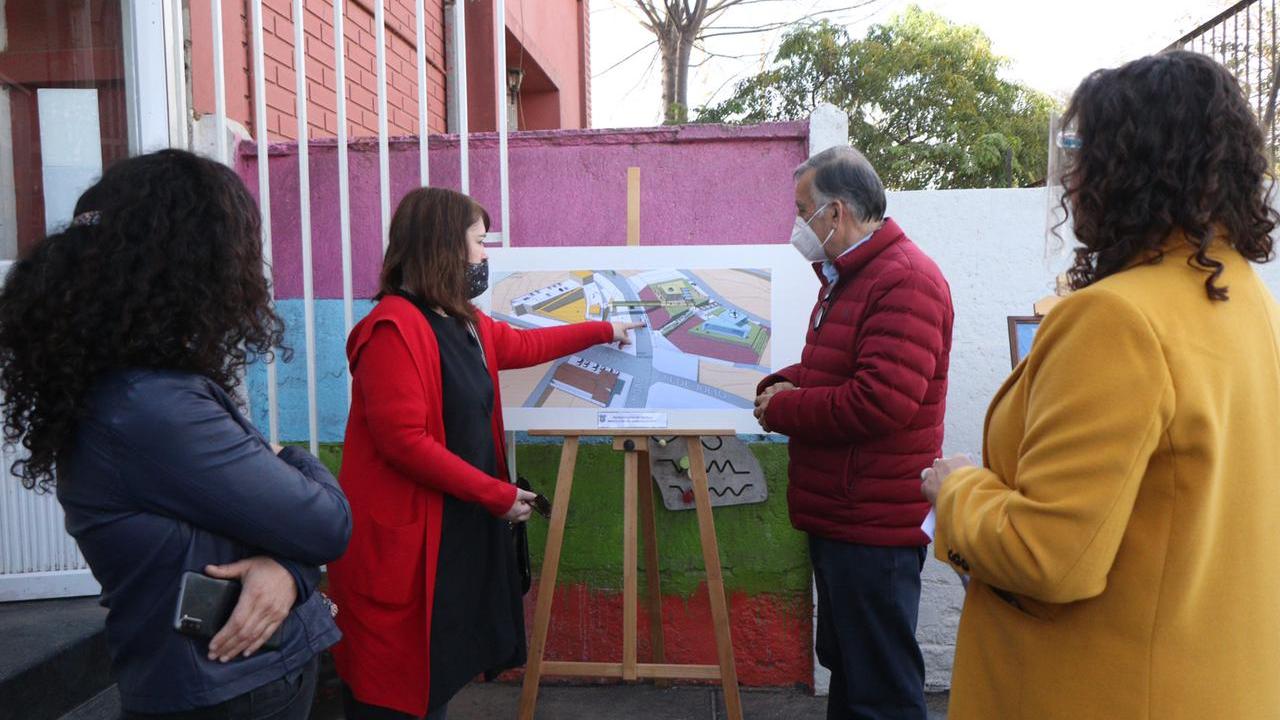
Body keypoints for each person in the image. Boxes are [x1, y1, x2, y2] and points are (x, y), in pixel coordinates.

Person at [921, 51, 1280, 719]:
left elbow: (1050, 557)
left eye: (1084, 152)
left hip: (1098, 689)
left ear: (1133, 167)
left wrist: (957, 491)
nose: (1071, 179)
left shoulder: (1115, 319)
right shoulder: (1242, 297)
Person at [0, 149, 352, 719]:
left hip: (224, 676)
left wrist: (287, 570)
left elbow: (262, 530)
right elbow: (325, 524)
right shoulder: (150, 407)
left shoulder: (139, 388)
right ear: (189, 267)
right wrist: (291, 455)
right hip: (229, 687)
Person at [327, 187, 641, 720]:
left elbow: (522, 346)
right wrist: (496, 495)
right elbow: (405, 443)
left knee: (436, 676)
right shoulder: (392, 329)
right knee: (394, 690)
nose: (485, 255)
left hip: (449, 533)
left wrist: (606, 329)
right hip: (404, 547)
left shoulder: (461, 320)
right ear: (443, 246)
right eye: (479, 241)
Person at [754, 146, 953, 719]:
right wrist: (783, 384)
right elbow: (840, 368)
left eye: (802, 211)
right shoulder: (849, 276)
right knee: (853, 676)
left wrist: (786, 410)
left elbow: (881, 401)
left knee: (881, 691)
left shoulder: (905, 280)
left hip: (873, 527)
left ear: (835, 212)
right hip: (844, 515)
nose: (798, 225)